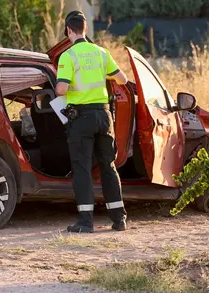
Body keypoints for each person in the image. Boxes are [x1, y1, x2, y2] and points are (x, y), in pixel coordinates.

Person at [54, 10, 129, 233]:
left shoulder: (68, 56)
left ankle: (86, 223)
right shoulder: (101, 53)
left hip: (81, 118)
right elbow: (122, 79)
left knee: (82, 168)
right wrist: (101, 75)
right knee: (108, 166)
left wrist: (61, 88)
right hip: (104, 117)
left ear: (68, 30)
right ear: (85, 29)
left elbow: (61, 89)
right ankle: (119, 220)